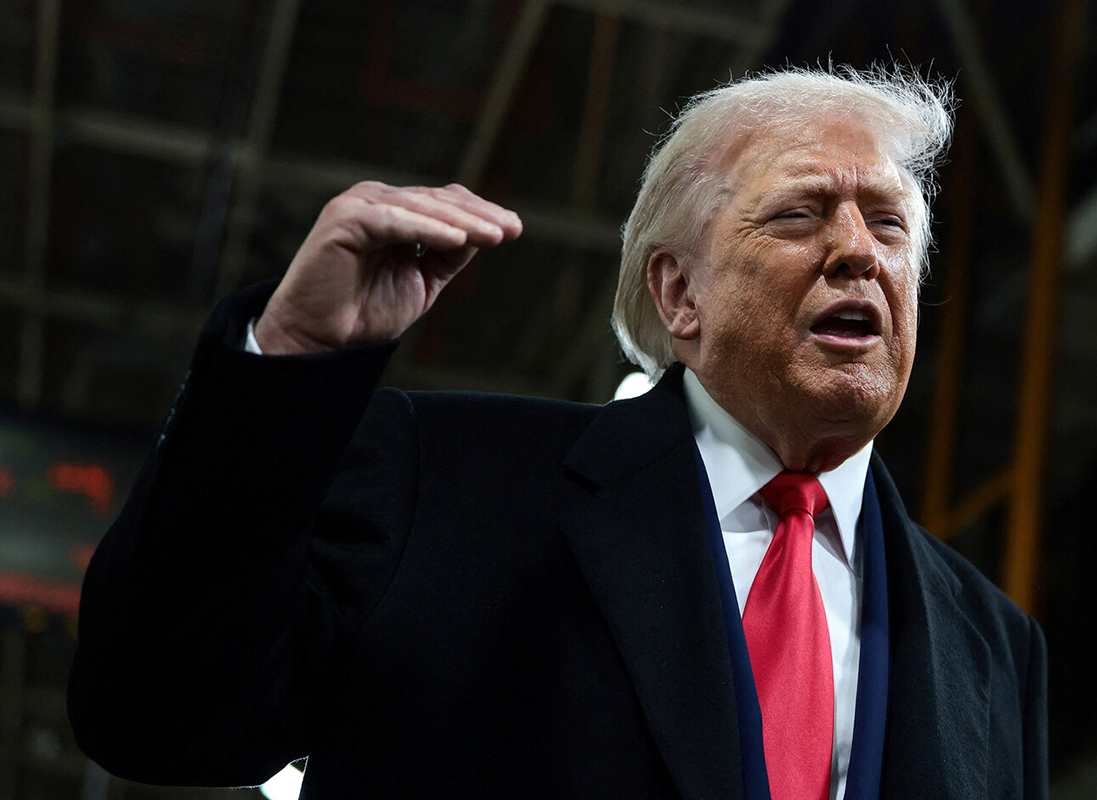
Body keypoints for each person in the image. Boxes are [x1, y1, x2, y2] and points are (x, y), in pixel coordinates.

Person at [69, 66, 1047, 800]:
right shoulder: (442, 483)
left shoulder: (995, 646)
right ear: (680, 293)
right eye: (799, 215)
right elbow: (160, 713)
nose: (856, 252)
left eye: (888, 225)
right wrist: (290, 359)